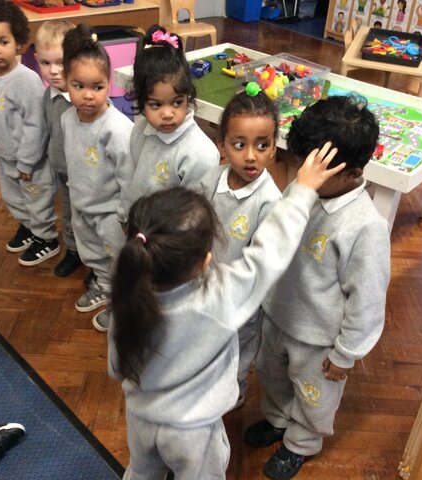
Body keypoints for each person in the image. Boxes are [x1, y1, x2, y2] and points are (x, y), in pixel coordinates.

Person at [107, 143, 345, 480]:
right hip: (192, 432)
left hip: (141, 419)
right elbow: (267, 255)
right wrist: (302, 191)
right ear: (205, 260)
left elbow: (117, 367)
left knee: (141, 473)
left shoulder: (127, 295)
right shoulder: (218, 297)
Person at [244, 95, 391, 480]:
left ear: (352, 173)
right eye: (301, 165)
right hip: (278, 315)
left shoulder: (367, 227)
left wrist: (346, 354)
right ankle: (278, 420)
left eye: (315, 170)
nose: (302, 176)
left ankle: (301, 442)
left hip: (319, 340)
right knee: (272, 377)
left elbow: (368, 299)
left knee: (314, 396)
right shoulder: (304, 189)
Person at [200, 84, 281, 409]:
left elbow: (263, 263)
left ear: (274, 147)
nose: (250, 156)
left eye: (262, 145)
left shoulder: (269, 201)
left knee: (237, 351)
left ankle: (233, 392)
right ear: (221, 144)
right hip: (206, 287)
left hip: (242, 303)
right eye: (239, 144)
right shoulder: (211, 179)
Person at [61, 23, 134, 331]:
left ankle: (122, 302)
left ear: (109, 84)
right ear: (66, 82)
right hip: (83, 205)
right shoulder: (67, 118)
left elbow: (129, 175)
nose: (88, 95)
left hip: (111, 214)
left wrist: (125, 214)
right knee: (93, 254)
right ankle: (104, 286)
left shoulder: (116, 127)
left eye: (97, 87)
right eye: (79, 86)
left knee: (119, 261)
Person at [118, 24, 219, 222]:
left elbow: (195, 217)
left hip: (172, 237)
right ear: (141, 101)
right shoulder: (139, 130)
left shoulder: (201, 155)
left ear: (188, 95)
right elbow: (133, 182)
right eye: (156, 105)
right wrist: (125, 217)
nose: (167, 114)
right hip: (139, 227)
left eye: (177, 102)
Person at [0, 0, 60, 267]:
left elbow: (36, 125)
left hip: (32, 163)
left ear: (19, 42)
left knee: (37, 201)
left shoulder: (26, 80)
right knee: (14, 200)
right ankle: (30, 227)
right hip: (5, 158)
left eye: (3, 41)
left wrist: (27, 162)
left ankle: (47, 238)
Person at [34, 19, 83, 278]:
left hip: (87, 176)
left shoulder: (84, 99)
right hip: (62, 173)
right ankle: (74, 251)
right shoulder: (48, 95)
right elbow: (46, 130)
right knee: (68, 214)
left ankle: (97, 260)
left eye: (61, 62)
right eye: (45, 63)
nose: (53, 71)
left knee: (89, 217)